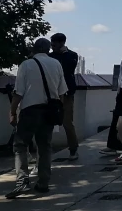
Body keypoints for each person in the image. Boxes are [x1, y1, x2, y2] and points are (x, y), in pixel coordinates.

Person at [6, 38, 68, 199]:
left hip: (30, 111)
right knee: (45, 146)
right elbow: (62, 93)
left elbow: (18, 92)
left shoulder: (26, 65)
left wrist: (12, 111)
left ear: (34, 49)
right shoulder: (56, 64)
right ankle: (43, 183)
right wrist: (59, 111)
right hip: (49, 111)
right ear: (48, 49)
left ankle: (22, 182)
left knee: (20, 145)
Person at [49, 33, 79, 160]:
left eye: (54, 44)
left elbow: (68, 69)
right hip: (52, 92)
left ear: (61, 43)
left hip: (66, 93)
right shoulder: (49, 56)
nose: (52, 47)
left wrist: (64, 54)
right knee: (48, 122)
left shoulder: (71, 55)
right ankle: (45, 150)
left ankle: (73, 149)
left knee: (67, 122)